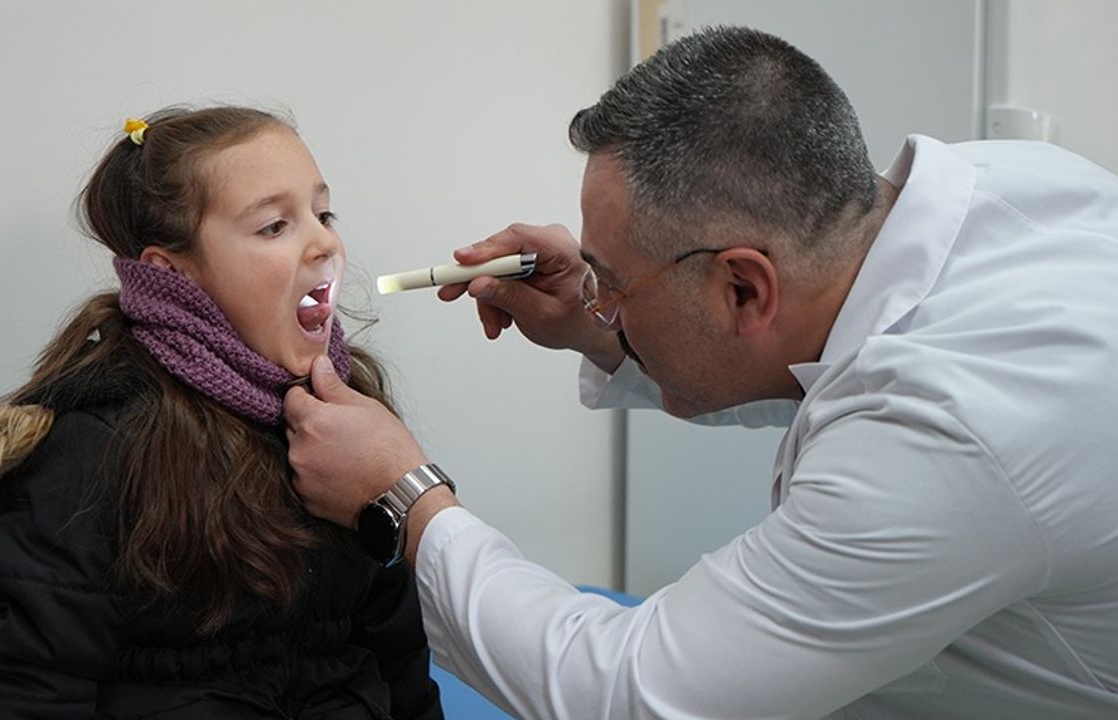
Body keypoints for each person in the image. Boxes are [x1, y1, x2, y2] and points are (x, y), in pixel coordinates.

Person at [281, 26, 1118, 719]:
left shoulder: (956, 429)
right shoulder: (992, 190)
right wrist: (598, 317)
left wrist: (404, 494)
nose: (598, 295)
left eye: (613, 279)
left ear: (744, 285)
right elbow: (828, 361)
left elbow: (626, 695)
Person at [0, 106, 443, 720]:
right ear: (172, 275)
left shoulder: (354, 413)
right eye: (276, 226)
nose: (326, 241)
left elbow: (396, 649)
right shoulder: (97, 444)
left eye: (322, 213)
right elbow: (34, 688)